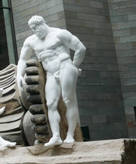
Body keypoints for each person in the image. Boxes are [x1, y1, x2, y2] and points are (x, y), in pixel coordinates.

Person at [16, 15, 86, 146]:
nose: (36, 30)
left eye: (37, 27)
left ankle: (70, 135)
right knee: (50, 104)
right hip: (50, 73)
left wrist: (75, 67)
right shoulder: (31, 41)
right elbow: (23, 59)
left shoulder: (60, 34)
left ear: (43, 23)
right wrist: (19, 75)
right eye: (33, 28)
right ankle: (56, 136)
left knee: (68, 100)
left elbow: (80, 48)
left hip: (65, 67)